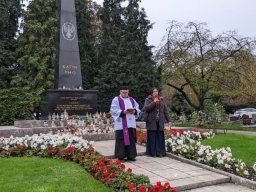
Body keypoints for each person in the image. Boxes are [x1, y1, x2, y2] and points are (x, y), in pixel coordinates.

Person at [110, 84, 141, 161]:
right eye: (124, 92)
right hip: (121, 124)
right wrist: (122, 112)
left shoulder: (132, 99)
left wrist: (135, 111)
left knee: (131, 139)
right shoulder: (116, 99)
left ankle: (131, 155)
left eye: (126, 92)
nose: (125, 94)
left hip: (131, 124)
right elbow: (113, 110)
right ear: (120, 92)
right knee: (121, 140)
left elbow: (137, 108)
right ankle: (121, 156)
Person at [142, 87, 170, 157]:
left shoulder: (161, 100)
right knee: (152, 138)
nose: (155, 93)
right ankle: (152, 153)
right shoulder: (148, 100)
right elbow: (146, 108)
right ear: (151, 93)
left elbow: (165, 111)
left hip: (160, 122)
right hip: (151, 122)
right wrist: (154, 102)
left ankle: (160, 153)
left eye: (156, 91)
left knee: (160, 138)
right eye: (154, 91)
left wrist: (169, 120)